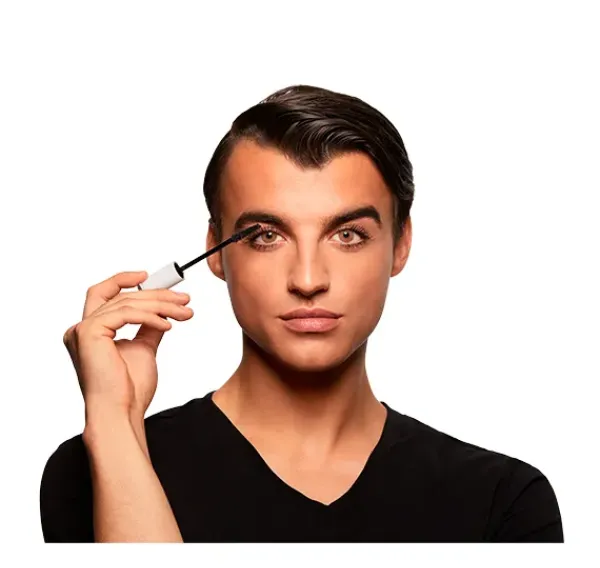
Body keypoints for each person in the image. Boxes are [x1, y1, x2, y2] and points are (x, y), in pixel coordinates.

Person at [40, 84, 563, 542]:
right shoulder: (96, 467)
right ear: (216, 251)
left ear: (400, 244)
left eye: (348, 235)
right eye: (266, 236)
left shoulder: (502, 502)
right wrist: (114, 420)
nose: (308, 279)